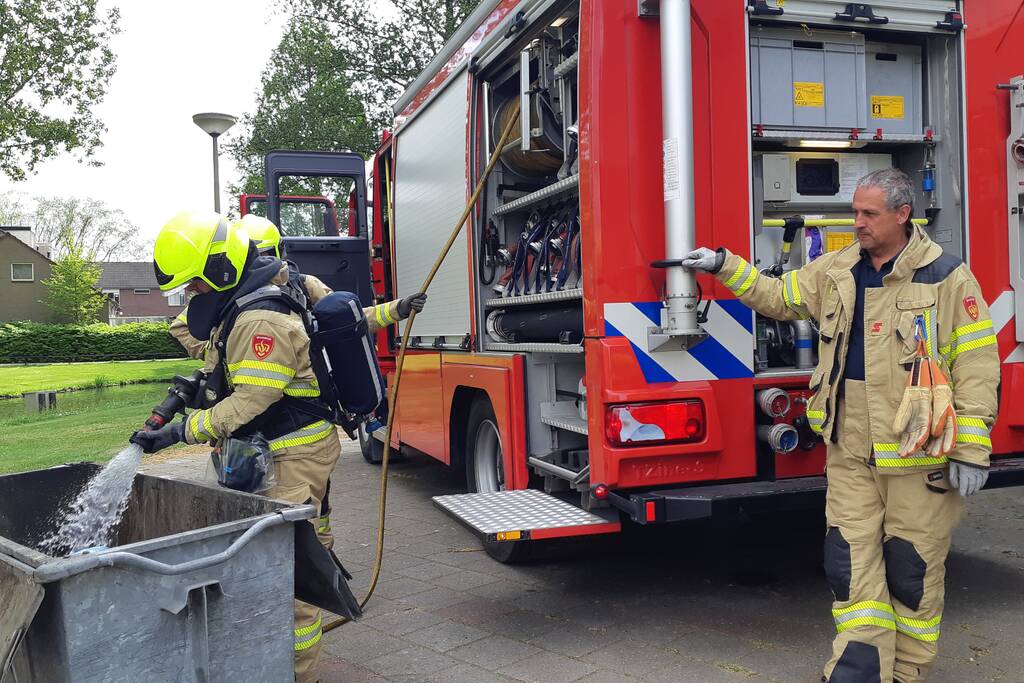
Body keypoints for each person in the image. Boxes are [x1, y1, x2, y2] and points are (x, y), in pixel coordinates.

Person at [681, 168, 999, 683]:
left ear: (902, 214)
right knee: (848, 565)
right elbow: (780, 296)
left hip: (920, 457)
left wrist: (971, 446)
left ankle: (906, 675)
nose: (858, 224)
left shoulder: (946, 276)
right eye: (855, 212)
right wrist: (724, 265)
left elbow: (977, 363)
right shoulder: (838, 268)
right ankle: (857, 674)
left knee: (911, 573)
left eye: (869, 214)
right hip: (850, 451)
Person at [132, 211, 420, 683]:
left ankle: (297, 670)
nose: (191, 298)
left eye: (196, 287)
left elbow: (254, 398)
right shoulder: (247, 301)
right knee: (300, 543)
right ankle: (312, 568)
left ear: (221, 270)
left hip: (289, 455)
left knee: (289, 578)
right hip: (278, 453)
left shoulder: (260, 318)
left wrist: (186, 430)